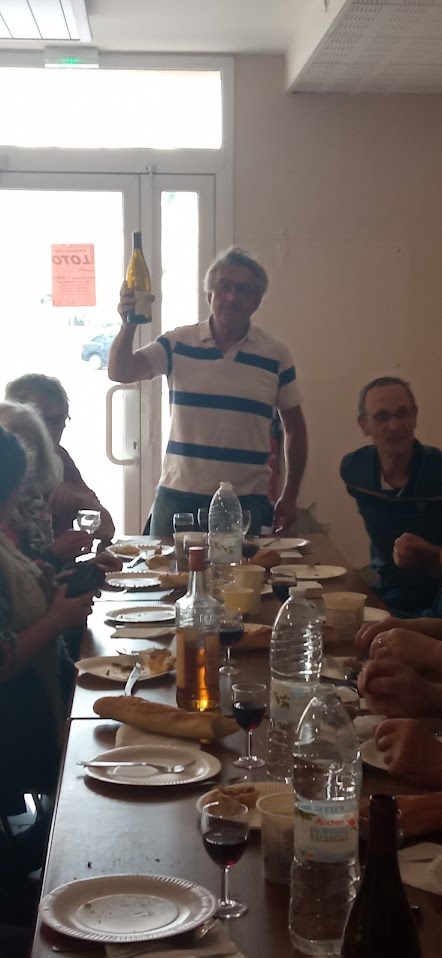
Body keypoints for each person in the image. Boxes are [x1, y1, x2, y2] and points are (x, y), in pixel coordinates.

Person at [109, 246, 308, 536]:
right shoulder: (177, 343)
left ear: (257, 301)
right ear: (209, 295)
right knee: (164, 567)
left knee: (246, 569)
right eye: (224, 287)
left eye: (243, 290)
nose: (232, 297)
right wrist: (128, 324)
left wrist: (290, 495)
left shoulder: (276, 355)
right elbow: (120, 371)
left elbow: (295, 429)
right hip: (178, 497)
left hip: (245, 501)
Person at [340, 376, 442, 616]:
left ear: (414, 417)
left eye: (402, 414)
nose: (394, 425)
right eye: (382, 416)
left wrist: (432, 556)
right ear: (363, 425)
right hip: (385, 589)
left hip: (436, 594)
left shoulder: (438, 472)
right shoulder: (354, 471)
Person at [5, 373, 115, 550]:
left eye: (59, 420)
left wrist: (80, 499)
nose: (52, 430)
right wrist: (55, 555)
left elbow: (107, 529)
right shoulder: (7, 462)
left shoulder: (60, 457)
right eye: (42, 420)